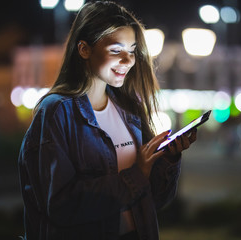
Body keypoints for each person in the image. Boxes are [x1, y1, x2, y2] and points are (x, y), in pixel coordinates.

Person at [18, 1, 197, 240]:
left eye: (132, 50)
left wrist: (169, 159)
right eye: (116, 50)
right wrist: (136, 175)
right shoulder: (56, 112)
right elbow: (60, 204)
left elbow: (154, 199)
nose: (128, 60)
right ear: (84, 49)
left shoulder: (128, 108)